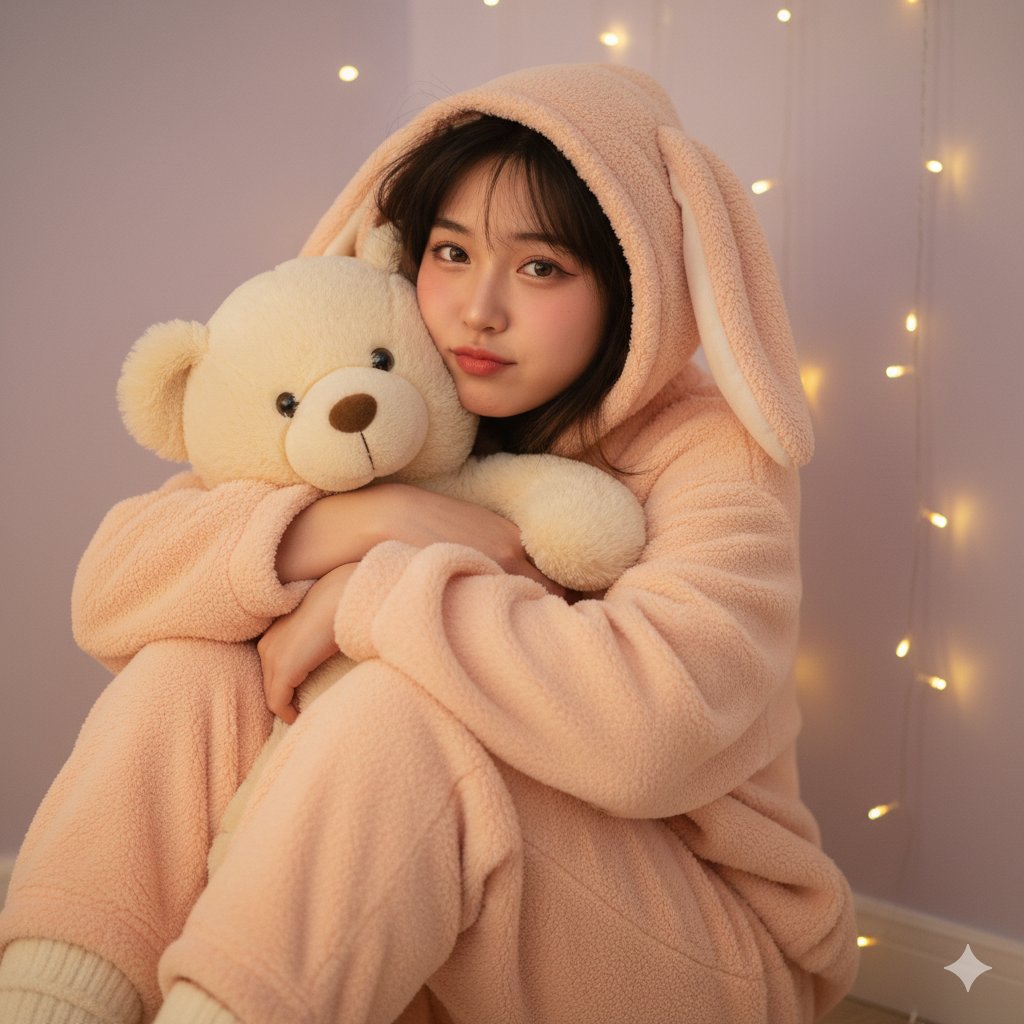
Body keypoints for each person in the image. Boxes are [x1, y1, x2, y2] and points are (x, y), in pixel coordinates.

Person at [0, 63, 858, 1024]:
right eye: (452, 253)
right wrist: (370, 520)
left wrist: (363, 597)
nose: (477, 310)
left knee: (403, 720)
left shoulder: (712, 450)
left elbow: (652, 732)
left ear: (631, 285)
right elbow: (113, 591)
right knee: (183, 671)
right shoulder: (397, 388)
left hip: (697, 948)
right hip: (454, 930)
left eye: (541, 268)